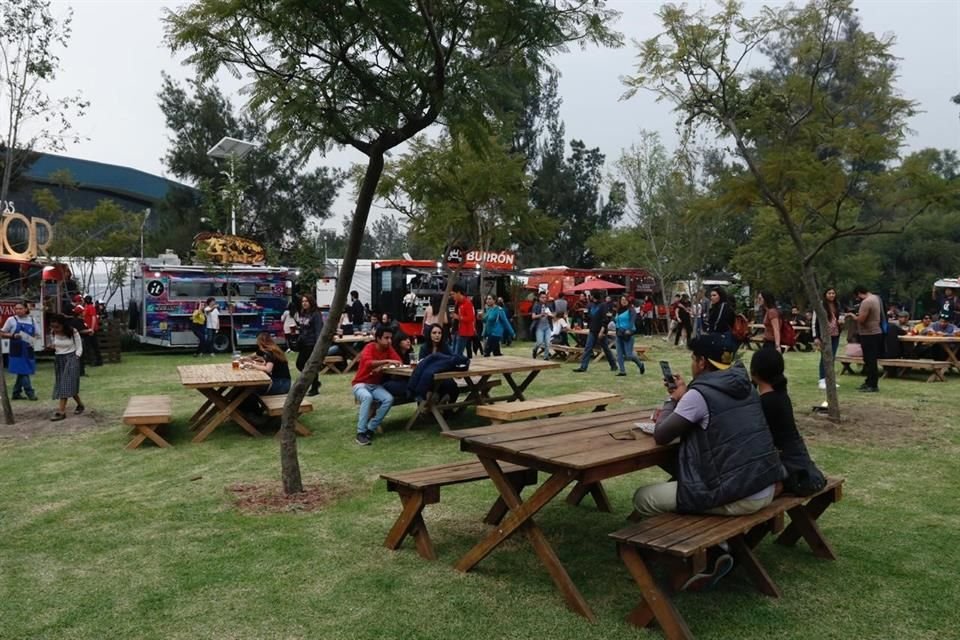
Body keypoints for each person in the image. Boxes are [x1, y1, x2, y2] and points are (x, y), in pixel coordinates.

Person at [633, 334, 784, 589]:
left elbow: (661, 435)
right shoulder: (746, 385)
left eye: (693, 358)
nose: (692, 363)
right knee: (684, 485)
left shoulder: (699, 395)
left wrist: (673, 399)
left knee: (643, 497)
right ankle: (717, 547)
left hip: (740, 492)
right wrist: (685, 395)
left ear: (702, 362)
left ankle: (702, 556)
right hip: (764, 483)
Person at [749, 348, 826, 496]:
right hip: (800, 462)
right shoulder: (781, 395)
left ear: (754, 372)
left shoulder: (766, 402)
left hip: (790, 470)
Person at [351, 326, 402, 446]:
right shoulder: (369, 347)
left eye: (390, 338)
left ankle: (371, 428)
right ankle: (360, 432)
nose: (389, 341)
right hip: (360, 384)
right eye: (386, 338)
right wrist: (386, 362)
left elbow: (398, 361)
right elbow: (368, 363)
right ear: (378, 338)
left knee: (388, 399)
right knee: (367, 397)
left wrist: (383, 366)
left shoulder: (388, 348)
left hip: (375, 385)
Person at [48, 314, 85, 421]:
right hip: (59, 359)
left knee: (65, 384)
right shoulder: (53, 333)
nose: (55, 329)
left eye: (57, 327)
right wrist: (52, 347)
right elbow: (55, 345)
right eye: (53, 327)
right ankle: (80, 405)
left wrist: (76, 357)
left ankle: (61, 412)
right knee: (66, 385)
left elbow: (79, 347)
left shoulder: (73, 332)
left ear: (63, 325)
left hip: (71, 358)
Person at [0, 302, 38, 400]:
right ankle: (30, 392)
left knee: (22, 372)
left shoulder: (32, 320)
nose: (18, 311)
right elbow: (2, 333)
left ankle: (16, 393)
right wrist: (13, 335)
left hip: (28, 349)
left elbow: (37, 334)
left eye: (20, 308)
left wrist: (32, 340)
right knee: (24, 371)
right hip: (16, 349)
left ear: (26, 309)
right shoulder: (11, 320)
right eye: (16, 309)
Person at [572, 290, 616, 373]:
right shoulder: (590, 305)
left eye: (591, 295)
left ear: (594, 296)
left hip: (601, 330)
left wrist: (602, 331)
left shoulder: (603, 305)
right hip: (592, 330)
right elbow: (588, 318)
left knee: (605, 348)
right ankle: (583, 367)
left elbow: (605, 319)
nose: (590, 297)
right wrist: (585, 316)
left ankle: (613, 365)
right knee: (588, 348)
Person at [854, 285, 883, 393]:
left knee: (870, 360)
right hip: (875, 332)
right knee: (869, 359)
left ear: (859, 293)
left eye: (857, 297)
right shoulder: (876, 298)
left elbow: (861, 319)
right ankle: (868, 381)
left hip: (869, 334)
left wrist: (853, 316)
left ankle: (873, 384)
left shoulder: (866, 302)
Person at [812, 287, 842, 390]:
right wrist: (816, 336)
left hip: (835, 334)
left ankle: (830, 380)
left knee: (832, 357)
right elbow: (814, 321)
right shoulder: (820, 305)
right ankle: (822, 379)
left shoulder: (837, 305)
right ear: (825, 294)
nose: (832, 295)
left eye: (833, 293)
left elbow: (839, 317)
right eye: (829, 293)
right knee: (824, 357)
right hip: (824, 335)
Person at [295, 294, 323, 397]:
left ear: (311, 302)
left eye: (306, 301)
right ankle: (314, 382)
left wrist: (318, 346)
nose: (304, 303)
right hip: (303, 343)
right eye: (303, 301)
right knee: (300, 364)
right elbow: (302, 328)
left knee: (310, 366)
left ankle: (314, 387)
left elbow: (318, 330)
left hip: (311, 344)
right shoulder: (303, 313)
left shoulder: (316, 314)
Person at [613, 295, 646, 376]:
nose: (623, 301)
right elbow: (616, 320)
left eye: (625, 300)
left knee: (629, 355)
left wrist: (629, 330)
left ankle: (640, 364)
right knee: (619, 353)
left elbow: (632, 321)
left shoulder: (631, 310)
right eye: (622, 300)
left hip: (628, 333)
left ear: (628, 301)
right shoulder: (618, 310)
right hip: (619, 333)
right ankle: (622, 371)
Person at [450, 284, 476, 358]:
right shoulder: (457, 303)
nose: (452, 296)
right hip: (456, 330)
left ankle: (460, 364)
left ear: (458, 293)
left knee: (457, 352)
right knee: (454, 351)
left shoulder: (467, 303)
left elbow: (471, 318)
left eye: (453, 294)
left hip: (463, 332)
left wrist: (459, 317)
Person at [530, 291, 553, 360]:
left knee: (547, 342)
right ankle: (535, 349)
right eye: (542, 298)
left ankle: (546, 357)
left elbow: (553, 314)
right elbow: (533, 317)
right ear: (539, 298)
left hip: (547, 326)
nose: (544, 299)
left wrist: (550, 315)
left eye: (545, 297)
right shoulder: (536, 305)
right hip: (539, 327)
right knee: (539, 342)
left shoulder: (548, 305)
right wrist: (541, 315)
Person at [81, 296, 103, 367]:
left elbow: (93, 318)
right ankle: (91, 360)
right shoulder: (86, 307)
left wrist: (92, 329)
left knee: (94, 346)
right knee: (88, 346)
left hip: (91, 330)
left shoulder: (91, 307)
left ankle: (97, 361)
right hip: (87, 329)